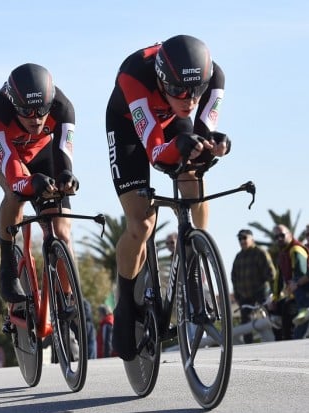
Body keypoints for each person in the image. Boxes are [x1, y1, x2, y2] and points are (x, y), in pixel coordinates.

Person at [105, 35, 231, 361]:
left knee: (194, 173)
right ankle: (126, 304)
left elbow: (203, 129)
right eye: (178, 90)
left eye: (195, 92)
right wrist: (186, 145)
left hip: (173, 124)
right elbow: (157, 153)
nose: (189, 99)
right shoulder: (135, 76)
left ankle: (196, 251)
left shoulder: (214, 77)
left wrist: (214, 144)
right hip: (130, 128)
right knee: (141, 222)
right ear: (162, 80)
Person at [0, 63, 78, 312]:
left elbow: (64, 153)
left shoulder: (63, 107)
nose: (36, 118)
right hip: (3, 152)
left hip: (42, 152)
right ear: (13, 105)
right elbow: (13, 172)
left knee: (62, 231)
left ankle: (68, 304)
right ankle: (8, 263)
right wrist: (29, 182)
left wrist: (66, 177)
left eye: (41, 110)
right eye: (26, 111)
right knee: (16, 193)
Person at [230, 229, 275, 343]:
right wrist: (237, 295)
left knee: (269, 317)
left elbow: (271, 273)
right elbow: (233, 277)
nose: (242, 241)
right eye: (240, 239)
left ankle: (276, 339)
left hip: (261, 293)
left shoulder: (260, 252)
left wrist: (268, 290)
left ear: (252, 238)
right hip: (244, 297)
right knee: (246, 322)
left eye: (245, 238)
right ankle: (248, 346)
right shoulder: (238, 257)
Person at [268, 224, 309, 340]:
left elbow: (300, 275)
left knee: (292, 328)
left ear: (290, 234)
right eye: (276, 237)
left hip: (302, 296)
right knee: (275, 309)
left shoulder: (296, 249)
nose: (279, 239)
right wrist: (275, 300)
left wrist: (294, 287)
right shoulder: (282, 254)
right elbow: (278, 280)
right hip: (295, 295)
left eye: (282, 235)